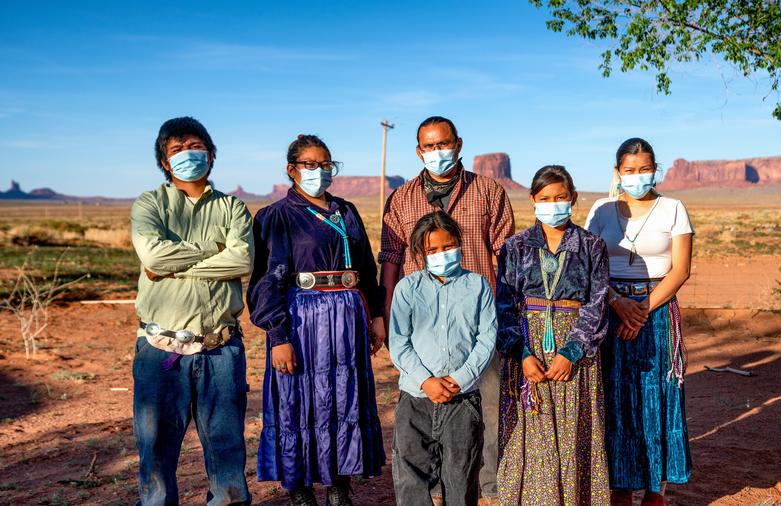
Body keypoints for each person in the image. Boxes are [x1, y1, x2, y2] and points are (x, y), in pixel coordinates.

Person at [380, 116, 514, 501]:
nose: (438, 152)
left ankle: (484, 489)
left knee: (485, 414)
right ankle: (434, 489)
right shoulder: (402, 198)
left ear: (458, 144)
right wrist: (384, 313)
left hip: (475, 324)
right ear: (419, 151)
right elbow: (390, 256)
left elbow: (505, 254)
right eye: (429, 146)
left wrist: (503, 317)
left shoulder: (488, 191)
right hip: (420, 324)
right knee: (422, 418)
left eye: (444, 144)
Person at [248, 134, 386, 506]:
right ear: (292, 170)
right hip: (301, 320)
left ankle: (339, 485)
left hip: (347, 319)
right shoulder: (276, 216)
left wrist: (375, 314)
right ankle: (301, 489)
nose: (319, 170)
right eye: (310, 164)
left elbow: (366, 269)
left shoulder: (347, 210)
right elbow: (267, 279)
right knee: (299, 400)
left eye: (326, 164)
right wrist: (278, 335)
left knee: (345, 398)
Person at [131, 116, 254, 505]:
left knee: (227, 448)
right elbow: (152, 255)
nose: (187, 155)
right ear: (165, 162)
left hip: (220, 348)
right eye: (176, 150)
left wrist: (173, 263)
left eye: (194, 147)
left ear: (211, 154)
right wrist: (214, 250)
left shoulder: (232, 206)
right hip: (160, 348)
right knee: (156, 449)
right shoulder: (149, 204)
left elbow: (242, 262)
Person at [585, 138, 694, 506]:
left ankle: (654, 490)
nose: (637, 176)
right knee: (614, 397)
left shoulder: (673, 209)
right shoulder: (601, 211)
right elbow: (588, 265)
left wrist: (641, 309)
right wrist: (617, 303)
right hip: (610, 310)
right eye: (629, 170)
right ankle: (618, 485)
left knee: (655, 395)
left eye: (645, 169)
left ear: (655, 170)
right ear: (617, 172)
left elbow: (680, 270)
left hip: (657, 311)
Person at [495, 165, 611, 505]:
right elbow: (505, 306)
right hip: (528, 352)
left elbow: (598, 302)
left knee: (577, 430)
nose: (554, 204)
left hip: (574, 353)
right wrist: (521, 353)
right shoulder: (514, 247)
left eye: (561, 197)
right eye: (545, 198)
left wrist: (572, 351)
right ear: (533, 200)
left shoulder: (591, 246)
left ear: (573, 198)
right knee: (530, 434)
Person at [389, 211, 497, 506]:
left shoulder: (478, 286)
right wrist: (426, 381)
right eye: (432, 250)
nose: (441, 254)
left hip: (462, 400)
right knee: (411, 478)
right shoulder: (407, 289)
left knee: (460, 477)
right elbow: (399, 342)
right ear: (420, 253)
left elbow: (486, 338)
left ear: (460, 243)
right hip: (415, 398)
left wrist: (458, 379)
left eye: (448, 246)